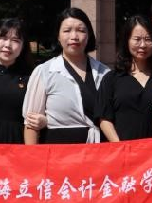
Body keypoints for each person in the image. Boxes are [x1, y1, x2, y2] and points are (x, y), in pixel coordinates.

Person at [22, 8, 110, 144]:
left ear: (89, 35)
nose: (74, 36)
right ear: (58, 36)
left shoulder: (104, 73)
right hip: (59, 151)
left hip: (98, 150)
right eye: (67, 30)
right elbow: (31, 124)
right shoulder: (44, 72)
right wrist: (33, 156)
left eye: (81, 30)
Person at [99, 15, 152, 142]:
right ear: (126, 41)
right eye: (137, 39)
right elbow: (104, 118)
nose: (143, 45)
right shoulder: (111, 79)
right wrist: (119, 145)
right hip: (120, 149)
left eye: (148, 39)